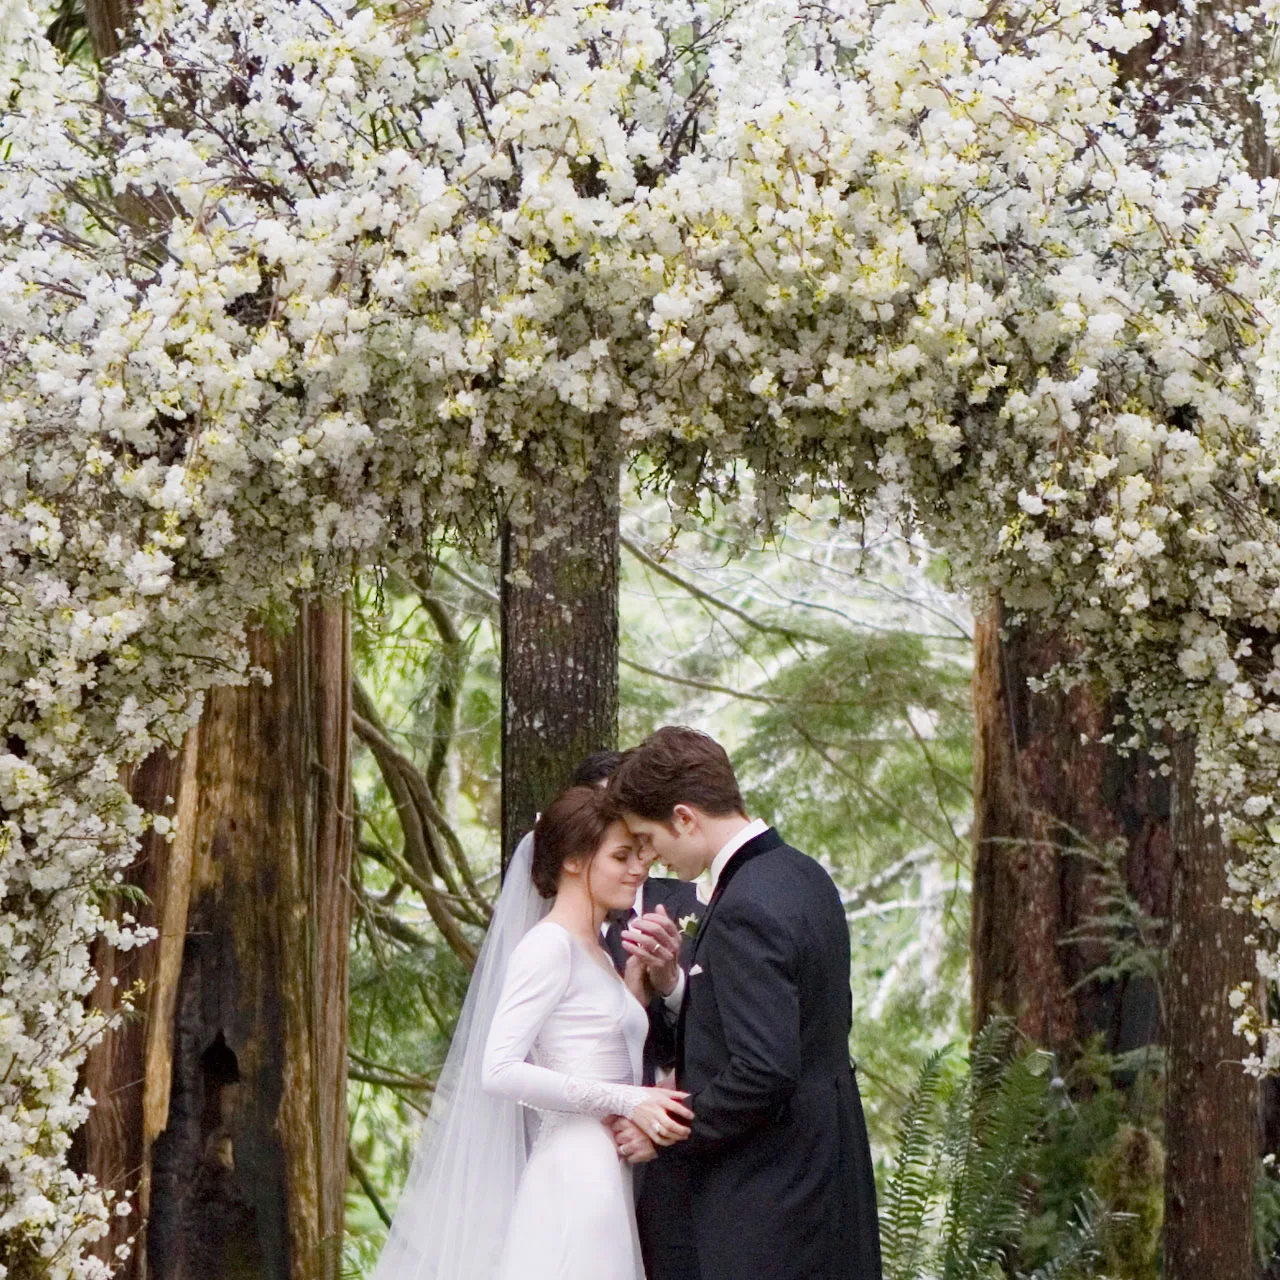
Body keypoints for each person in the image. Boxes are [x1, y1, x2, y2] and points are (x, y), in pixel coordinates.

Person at [369, 784, 693, 1280]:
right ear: (573, 862)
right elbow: (498, 1070)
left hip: (608, 1166)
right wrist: (630, 1101)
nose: (639, 869)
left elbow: (587, 1042)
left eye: (639, 855)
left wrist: (640, 994)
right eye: (621, 856)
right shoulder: (548, 947)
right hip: (575, 1168)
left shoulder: (600, 954)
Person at [611, 726, 883, 1280]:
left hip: (775, 1191)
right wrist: (675, 991)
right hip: (827, 1166)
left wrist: (668, 1126)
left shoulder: (745, 905)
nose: (650, 856)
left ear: (685, 818)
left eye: (648, 837)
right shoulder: (803, 874)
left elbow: (765, 1069)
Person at [573, 752, 705, 1280]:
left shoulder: (690, 902)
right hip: (576, 1146)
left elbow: (712, 1036)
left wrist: (670, 982)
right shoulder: (549, 921)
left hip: (669, 1160)